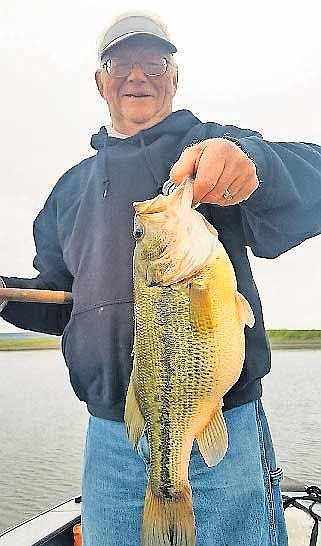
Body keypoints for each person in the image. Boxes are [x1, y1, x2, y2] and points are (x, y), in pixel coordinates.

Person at [1, 11, 321, 546]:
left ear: (175, 77)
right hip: (110, 434)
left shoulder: (212, 143)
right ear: (99, 81)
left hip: (218, 419)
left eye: (154, 63)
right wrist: (5, 296)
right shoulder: (69, 191)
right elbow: (67, 306)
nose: (137, 77)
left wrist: (252, 166)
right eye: (120, 64)